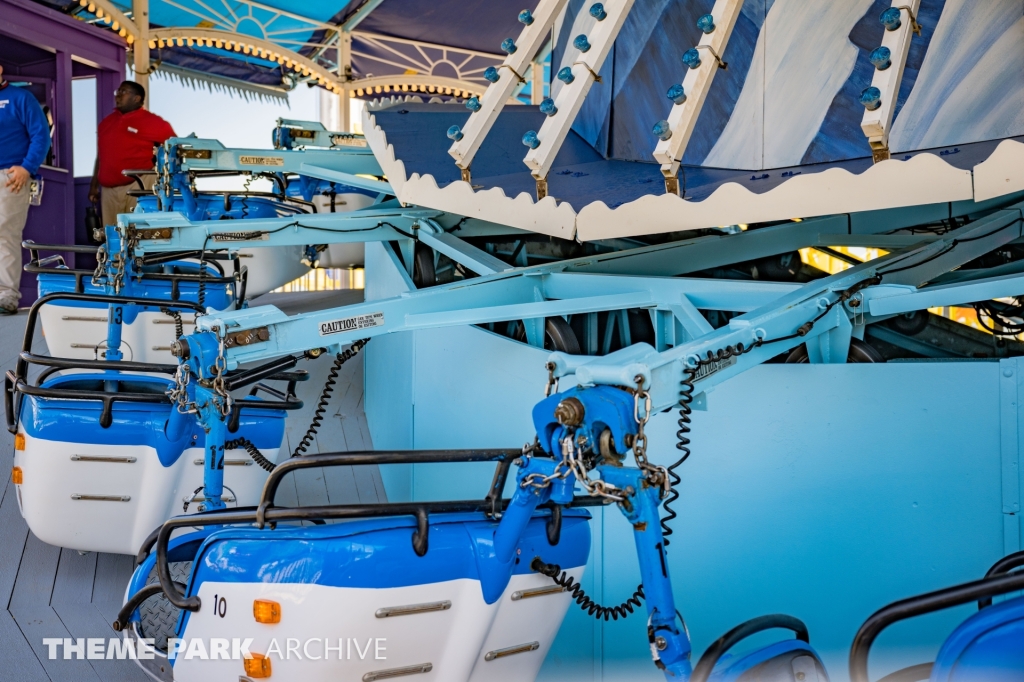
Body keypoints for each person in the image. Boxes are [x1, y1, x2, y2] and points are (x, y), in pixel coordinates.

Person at [0, 64, 51, 315]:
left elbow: (41, 135)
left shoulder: (21, 98)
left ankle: (6, 295)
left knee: (4, 234)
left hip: (10, 177)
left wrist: (26, 168)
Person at [89, 81, 176, 228]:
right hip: (108, 191)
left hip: (139, 184)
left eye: (124, 92)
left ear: (137, 98)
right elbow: (101, 156)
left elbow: (174, 148)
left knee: (138, 235)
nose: (118, 95)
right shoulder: (106, 123)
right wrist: (93, 185)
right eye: (118, 91)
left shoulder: (154, 122)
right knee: (112, 237)